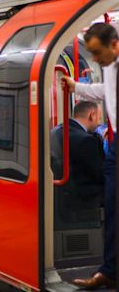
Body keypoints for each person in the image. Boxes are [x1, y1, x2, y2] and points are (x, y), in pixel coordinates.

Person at [61, 23, 118, 289]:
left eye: (97, 53)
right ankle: (109, 270)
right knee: (112, 206)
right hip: (116, 143)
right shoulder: (109, 66)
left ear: (114, 45)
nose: (94, 59)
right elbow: (105, 92)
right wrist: (76, 88)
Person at [50, 101, 104, 226]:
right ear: (92, 115)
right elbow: (100, 175)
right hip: (82, 201)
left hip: (63, 199)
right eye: (99, 118)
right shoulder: (86, 140)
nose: (99, 124)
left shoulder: (56, 131)